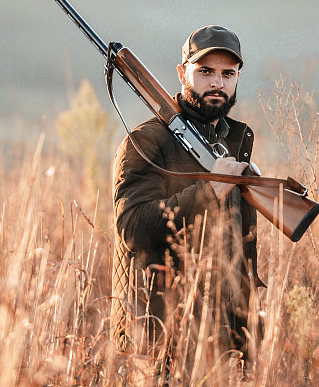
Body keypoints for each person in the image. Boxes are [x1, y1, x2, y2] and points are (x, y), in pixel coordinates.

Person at [111, 25, 264, 380]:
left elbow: (239, 251)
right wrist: (207, 190)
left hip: (222, 340)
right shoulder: (146, 141)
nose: (218, 83)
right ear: (183, 74)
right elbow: (131, 228)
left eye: (228, 74)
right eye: (205, 71)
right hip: (160, 339)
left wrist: (248, 330)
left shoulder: (234, 141)